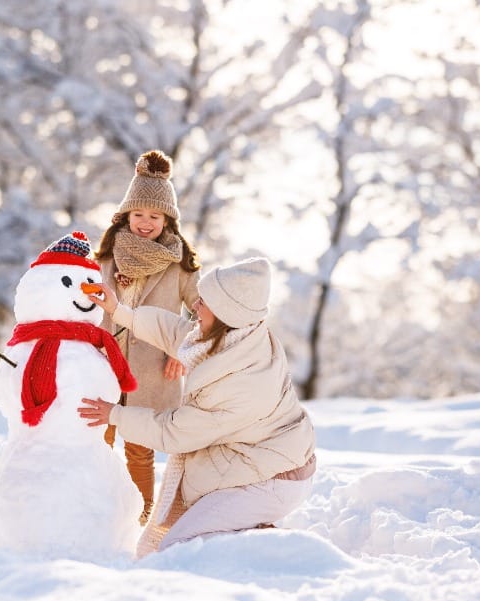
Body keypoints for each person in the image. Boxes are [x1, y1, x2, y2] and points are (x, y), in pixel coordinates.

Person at [78, 257, 316, 557]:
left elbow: (176, 431)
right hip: (261, 459)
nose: (195, 307)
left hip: (272, 480)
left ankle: (282, 554)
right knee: (181, 543)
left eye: (203, 302)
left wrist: (115, 415)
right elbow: (177, 333)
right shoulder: (235, 338)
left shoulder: (241, 380)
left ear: (227, 312)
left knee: (179, 548)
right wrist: (120, 312)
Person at [93, 149, 201, 524]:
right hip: (102, 365)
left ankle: (142, 518)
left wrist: (182, 351)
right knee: (97, 443)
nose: (145, 222)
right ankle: (99, 514)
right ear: (126, 214)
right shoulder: (105, 257)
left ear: (167, 220)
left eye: (154, 216)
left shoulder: (180, 262)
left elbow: (204, 313)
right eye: (138, 213)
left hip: (153, 370)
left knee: (139, 449)